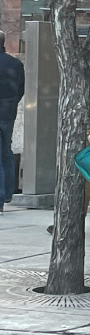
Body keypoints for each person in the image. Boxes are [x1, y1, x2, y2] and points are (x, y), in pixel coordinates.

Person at [0, 32, 24, 214]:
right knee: (6, 152)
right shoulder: (15, 64)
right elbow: (20, 89)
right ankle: (8, 192)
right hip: (8, 112)